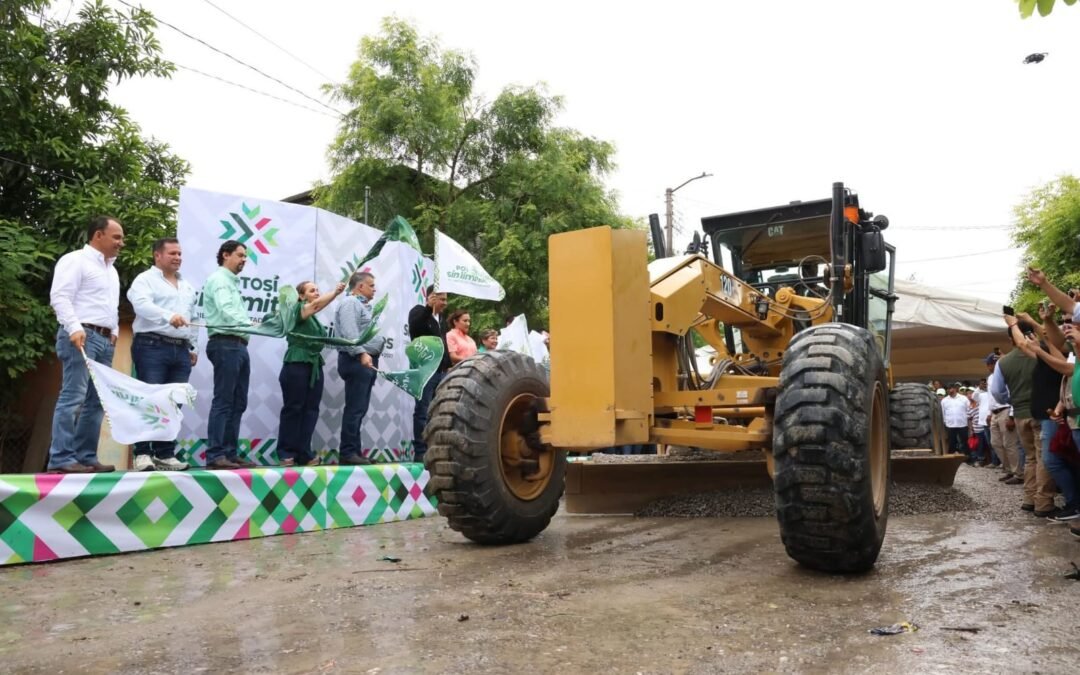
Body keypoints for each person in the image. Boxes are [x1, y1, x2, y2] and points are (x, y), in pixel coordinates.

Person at [46, 216, 124, 473]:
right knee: (73, 397)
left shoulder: (111, 270)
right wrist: (75, 327)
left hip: (104, 340)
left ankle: (86, 456)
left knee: (97, 401)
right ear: (97, 235)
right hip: (81, 335)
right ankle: (61, 459)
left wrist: (113, 331)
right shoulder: (75, 260)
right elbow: (60, 296)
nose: (121, 243)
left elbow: (109, 305)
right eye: (116, 237)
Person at [126, 237, 197, 471]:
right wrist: (168, 316)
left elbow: (192, 318)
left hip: (181, 349)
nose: (178, 258)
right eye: (172, 253)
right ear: (157, 255)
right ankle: (142, 453)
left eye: (180, 254)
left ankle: (165, 454)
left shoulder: (187, 286)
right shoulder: (145, 280)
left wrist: (193, 346)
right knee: (149, 399)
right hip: (151, 345)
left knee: (175, 403)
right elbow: (141, 305)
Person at [276, 279, 345, 467]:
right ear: (301, 296)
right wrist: (335, 292)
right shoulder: (297, 309)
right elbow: (315, 305)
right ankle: (286, 453)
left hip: (314, 365)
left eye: (317, 289)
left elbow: (316, 306)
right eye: (312, 290)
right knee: (294, 408)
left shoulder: (313, 317)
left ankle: (304, 453)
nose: (316, 292)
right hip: (296, 364)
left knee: (311, 410)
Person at [202, 240, 257, 470]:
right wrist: (253, 325)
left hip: (238, 345)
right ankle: (216, 455)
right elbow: (226, 311)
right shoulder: (220, 280)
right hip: (226, 343)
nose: (244, 260)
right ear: (226, 255)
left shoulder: (231, 282)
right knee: (224, 400)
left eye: (245, 256)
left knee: (238, 402)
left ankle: (229, 453)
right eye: (240, 255)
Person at [993, 316, 1055, 515]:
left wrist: (1012, 400)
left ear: (1011, 339)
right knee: (1043, 458)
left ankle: (1029, 499)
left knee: (1029, 458)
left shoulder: (1003, 363)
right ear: (1033, 333)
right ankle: (1043, 503)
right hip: (1043, 412)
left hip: (1019, 414)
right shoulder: (1043, 353)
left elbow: (997, 392)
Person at [334, 272, 386, 466]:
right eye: (371, 285)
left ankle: (354, 452)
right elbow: (350, 333)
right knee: (355, 408)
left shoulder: (361, 305)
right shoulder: (351, 303)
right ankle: (348, 452)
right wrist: (361, 353)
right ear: (360, 286)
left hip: (365, 360)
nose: (374, 289)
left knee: (360, 408)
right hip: (357, 360)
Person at [408, 287, 450, 462]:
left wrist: (447, 365)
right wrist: (427, 308)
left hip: (441, 372)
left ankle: (434, 448)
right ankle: (420, 451)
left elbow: (443, 344)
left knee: (437, 412)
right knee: (422, 411)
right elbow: (415, 329)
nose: (445, 303)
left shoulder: (442, 320)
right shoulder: (418, 312)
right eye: (442, 299)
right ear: (431, 297)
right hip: (425, 370)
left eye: (446, 300)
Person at [941, 382, 970, 458]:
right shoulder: (944, 401)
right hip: (950, 425)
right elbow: (943, 413)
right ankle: (951, 458)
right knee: (952, 442)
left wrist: (967, 420)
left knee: (964, 442)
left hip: (962, 424)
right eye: (948, 389)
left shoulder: (963, 398)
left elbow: (968, 410)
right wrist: (945, 422)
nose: (949, 391)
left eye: (951, 389)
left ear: (955, 389)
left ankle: (967, 458)